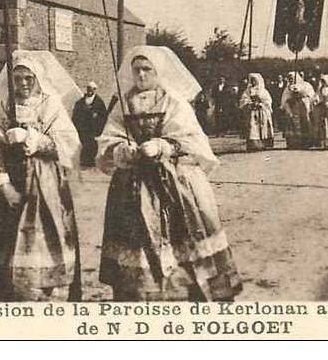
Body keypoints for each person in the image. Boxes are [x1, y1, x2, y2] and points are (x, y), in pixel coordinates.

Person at [97, 46, 242, 301]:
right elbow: (109, 137)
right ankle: (140, 291)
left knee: (183, 233)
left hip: (173, 181)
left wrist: (164, 146)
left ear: (158, 72)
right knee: (135, 237)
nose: (141, 75)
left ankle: (184, 291)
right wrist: (122, 149)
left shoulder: (173, 102)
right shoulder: (124, 102)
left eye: (147, 70)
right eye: (136, 70)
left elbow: (192, 140)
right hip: (133, 183)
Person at [0, 50, 82, 301]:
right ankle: (12, 290)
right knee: (10, 235)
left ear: (38, 78)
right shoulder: (4, 105)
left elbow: (68, 144)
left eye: (28, 78)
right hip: (12, 180)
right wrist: (2, 181)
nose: (23, 84)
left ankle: (47, 288)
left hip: (45, 181)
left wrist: (36, 141)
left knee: (44, 233)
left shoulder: (51, 104)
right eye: (18, 78)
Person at [72, 81, 108, 167]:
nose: (90, 91)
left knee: (92, 145)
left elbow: (103, 116)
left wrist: (98, 123)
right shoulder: (80, 102)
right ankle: (83, 160)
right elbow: (76, 114)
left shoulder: (99, 103)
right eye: (89, 88)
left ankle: (91, 161)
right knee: (83, 143)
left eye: (93, 89)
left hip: (93, 129)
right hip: (82, 128)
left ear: (95, 90)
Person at [239, 73, 275, 152]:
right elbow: (243, 99)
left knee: (262, 126)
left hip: (261, 111)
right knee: (253, 127)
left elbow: (268, 100)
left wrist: (261, 104)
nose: (253, 82)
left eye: (254, 80)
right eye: (252, 80)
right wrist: (249, 103)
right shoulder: (248, 90)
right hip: (252, 111)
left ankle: (263, 144)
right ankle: (253, 145)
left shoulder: (263, 90)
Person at [281, 71, 316, 149]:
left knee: (305, 121)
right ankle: (293, 143)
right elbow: (285, 98)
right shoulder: (288, 87)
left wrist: (301, 92)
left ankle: (306, 142)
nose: (290, 80)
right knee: (293, 123)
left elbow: (311, 95)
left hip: (303, 105)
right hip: (292, 106)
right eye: (289, 78)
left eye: (292, 78)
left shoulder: (306, 85)